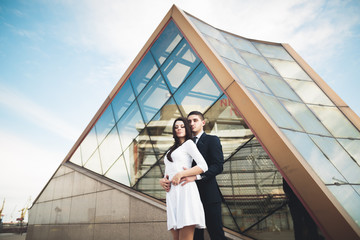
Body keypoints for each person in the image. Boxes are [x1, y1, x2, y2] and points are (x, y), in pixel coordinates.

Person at [160, 111, 226, 240]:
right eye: (189, 121)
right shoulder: (180, 145)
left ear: (203, 122)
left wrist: (195, 177)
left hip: (208, 194)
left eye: (195, 120)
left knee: (216, 233)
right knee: (195, 237)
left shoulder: (212, 140)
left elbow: (218, 166)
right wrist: (164, 179)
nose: (191, 123)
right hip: (185, 193)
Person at [163, 117, 209, 240]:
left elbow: (203, 166)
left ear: (187, 128)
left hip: (185, 192)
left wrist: (181, 174)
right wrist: (162, 180)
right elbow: (168, 171)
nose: (179, 129)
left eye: (182, 126)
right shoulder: (170, 150)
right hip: (172, 194)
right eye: (176, 127)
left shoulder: (189, 144)